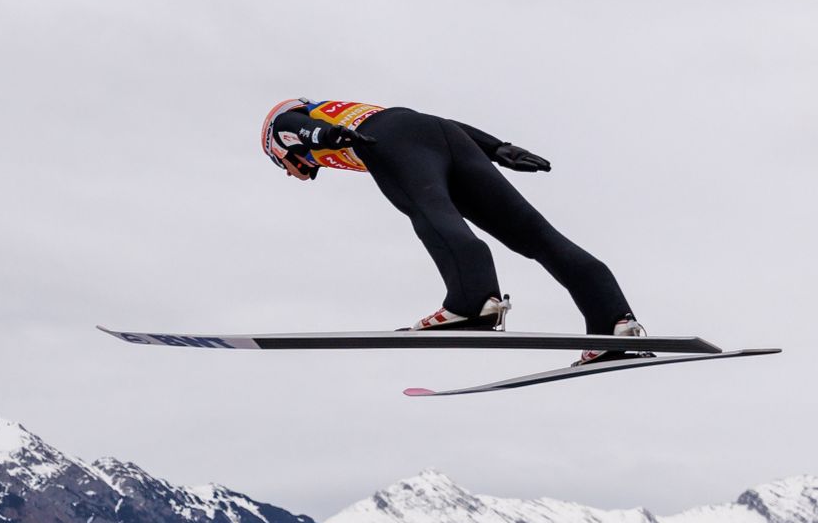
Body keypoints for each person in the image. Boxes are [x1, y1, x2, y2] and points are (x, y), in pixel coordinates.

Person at [261, 97, 647, 364]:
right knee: (536, 234)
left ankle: (472, 304)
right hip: (445, 136)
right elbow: (435, 125)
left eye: (284, 168)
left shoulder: (283, 126)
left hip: (391, 141)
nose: (297, 176)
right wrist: (498, 148)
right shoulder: (346, 109)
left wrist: (325, 136)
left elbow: (296, 128)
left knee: (431, 214)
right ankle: (612, 322)